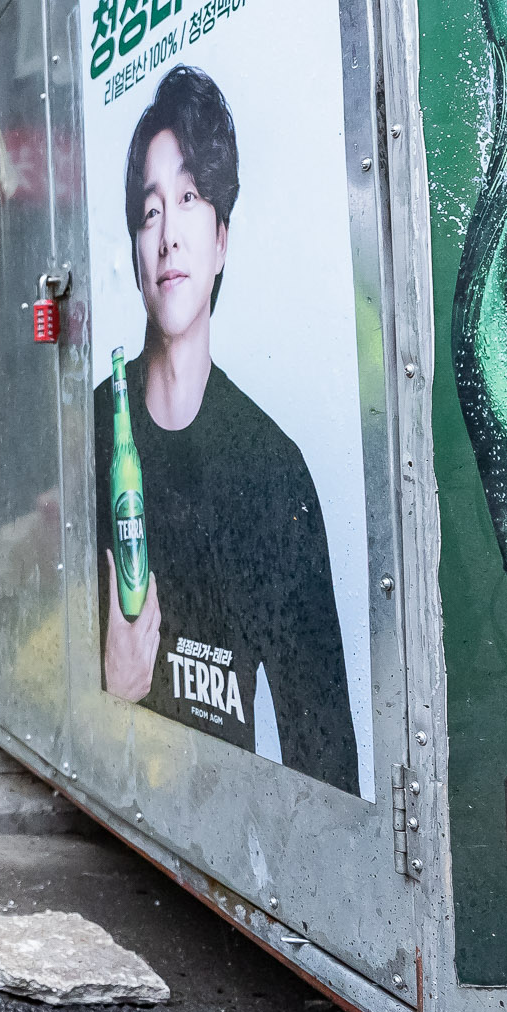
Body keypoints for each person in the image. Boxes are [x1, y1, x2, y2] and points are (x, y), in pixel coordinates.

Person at [92, 66, 357, 792]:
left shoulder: (271, 470)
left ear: (222, 239)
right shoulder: (90, 434)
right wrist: (113, 688)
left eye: (189, 199)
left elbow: (323, 754)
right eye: (150, 212)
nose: (169, 234)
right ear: (136, 247)